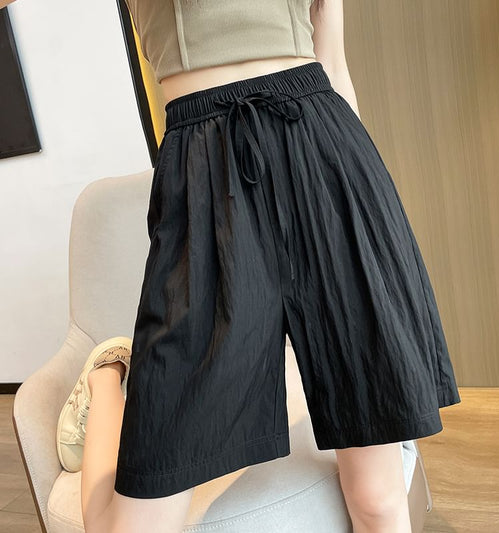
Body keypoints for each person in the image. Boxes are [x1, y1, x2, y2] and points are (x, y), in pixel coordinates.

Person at [54, 0, 461, 532]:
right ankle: (109, 374)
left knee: (379, 502)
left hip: (323, 153)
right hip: (204, 170)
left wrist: (361, 210)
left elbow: (332, 62)